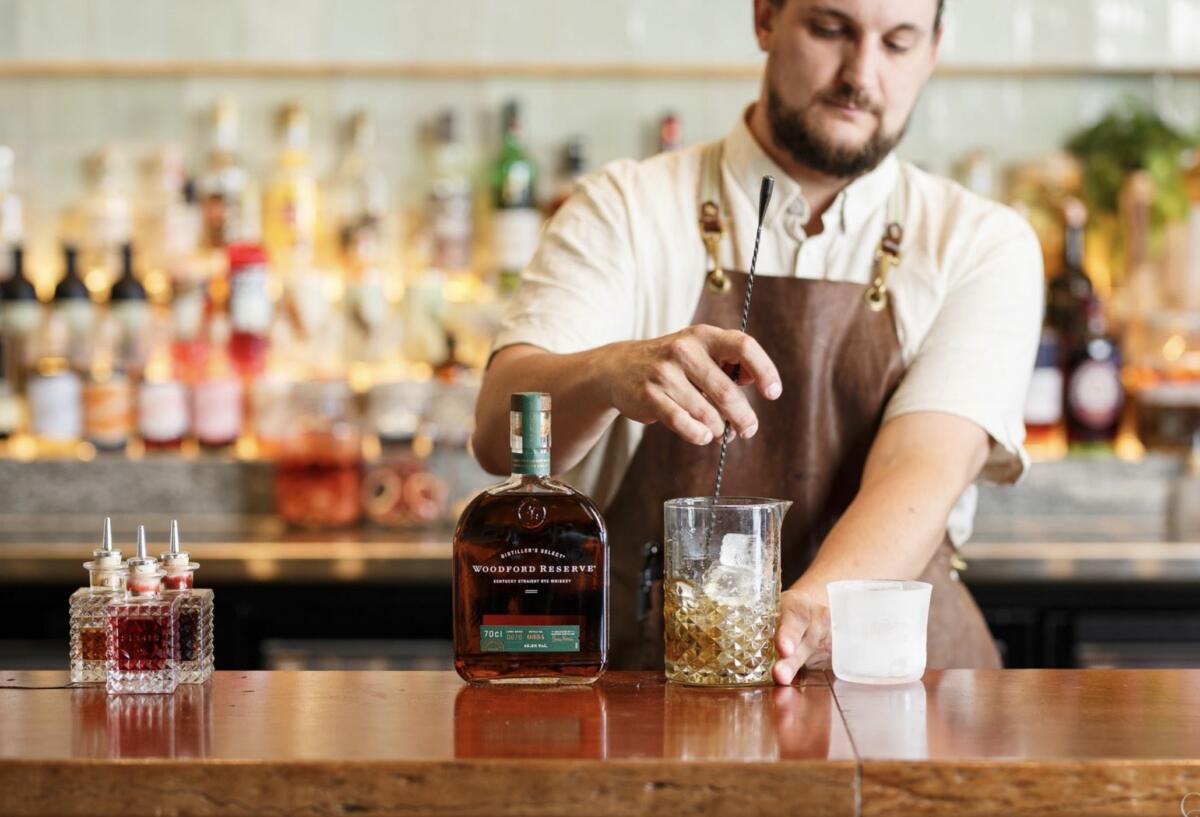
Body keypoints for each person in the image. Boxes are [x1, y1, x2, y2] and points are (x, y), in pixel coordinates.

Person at [472, 0, 1043, 684]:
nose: (861, 74)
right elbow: (496, 432)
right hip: (658, 698)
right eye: (831, 29)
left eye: (897, 42)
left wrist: (807, 613)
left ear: (933, 49)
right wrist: (607, 371)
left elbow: (922, 463)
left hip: (893, 697)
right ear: (766, 18)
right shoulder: (622, 209)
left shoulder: (980, 243)